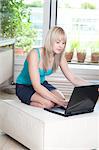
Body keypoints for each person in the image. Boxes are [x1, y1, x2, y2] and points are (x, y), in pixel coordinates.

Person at [16, 26, 88, 109]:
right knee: (48, 104)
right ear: (50, 41)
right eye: (57, 42)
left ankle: (44, 100)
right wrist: (60, 102)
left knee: (61, 98)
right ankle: (26, 100)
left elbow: (73, 78)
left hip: (42, 84)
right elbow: (37, 86)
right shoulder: (34, 54)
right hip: (24, 86)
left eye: (63, 43)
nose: (61, 46)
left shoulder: (59, 56)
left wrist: (94, 86)